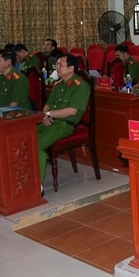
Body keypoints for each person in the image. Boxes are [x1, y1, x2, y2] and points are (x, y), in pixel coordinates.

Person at [37, 55, 90, 191]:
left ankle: (37, 187)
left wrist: (48, 114)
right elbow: (47, 105)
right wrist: (44, 116)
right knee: (23, 138)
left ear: (71, 68)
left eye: (61, 64)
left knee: (36, 148)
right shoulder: (58, 84)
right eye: (57, 64)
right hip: (48, 121)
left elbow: (72, 111)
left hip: (64, 125)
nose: (57, 67)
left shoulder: (80, 86)